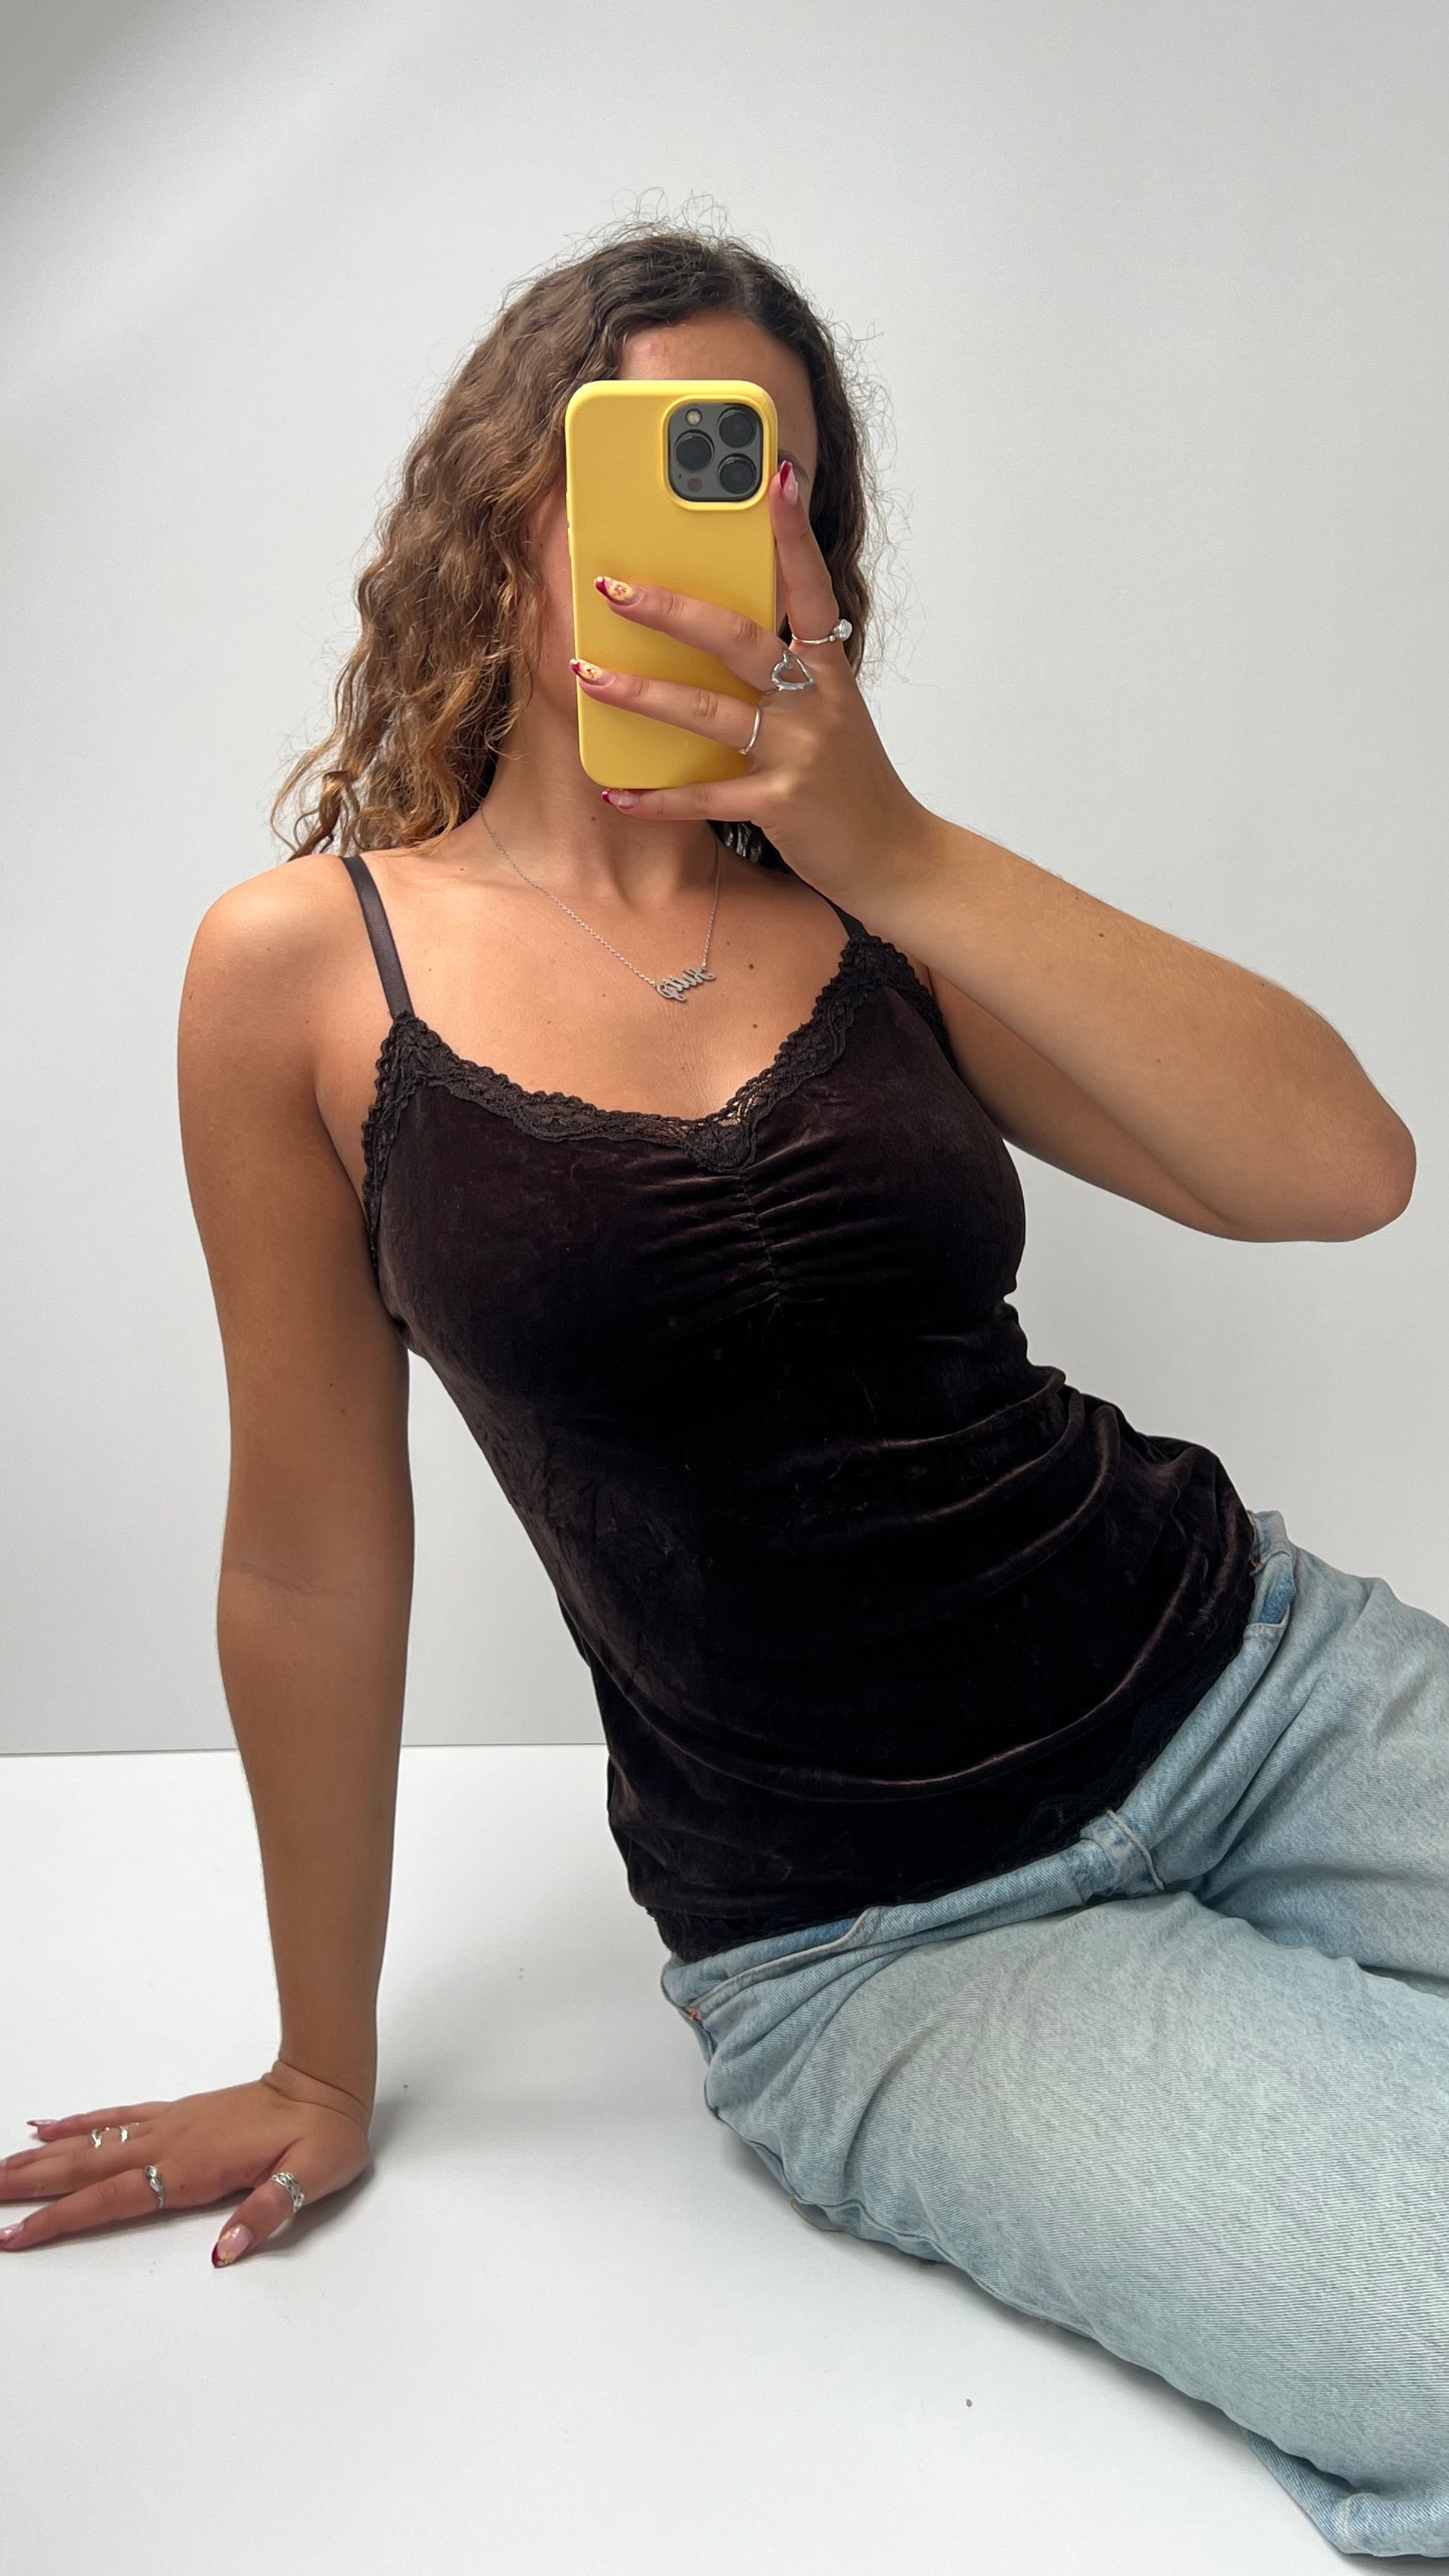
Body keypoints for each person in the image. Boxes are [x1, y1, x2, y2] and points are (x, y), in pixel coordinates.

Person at [3, 226, 1444, 2560]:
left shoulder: (881, 913)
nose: (720, 526)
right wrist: (316, 2060)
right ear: (509, 505)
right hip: (886, 1939)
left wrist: (898, 845)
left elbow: (1343, 1170)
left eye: (777, 483)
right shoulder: (301, 973)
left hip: (1252, 1685)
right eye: (668, 457)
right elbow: (310, 1549)